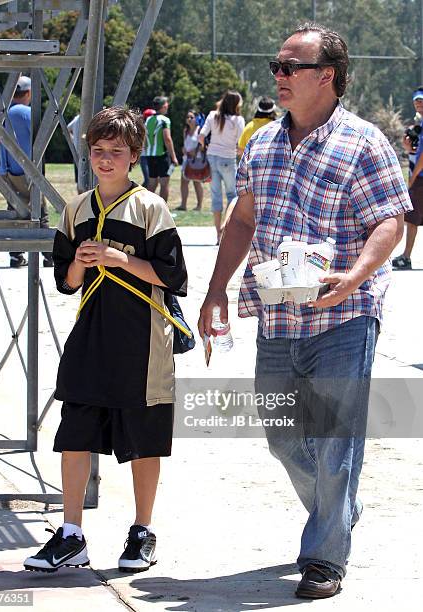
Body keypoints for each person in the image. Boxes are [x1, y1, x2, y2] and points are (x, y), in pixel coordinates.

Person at [198, 23, 411, 599]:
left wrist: (357, 276)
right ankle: (339, 511)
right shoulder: (262, 142)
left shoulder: (365, 143)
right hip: (277, 313)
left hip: (344, 312)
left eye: (290, 66)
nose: (278, 76)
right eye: (276, 66)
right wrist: (216, 289)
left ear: (328, 77)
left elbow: (389, 221)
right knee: (281, 435)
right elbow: (243, 220)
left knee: (335, 437)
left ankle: (324, 558)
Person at [23, 106, 187, 574]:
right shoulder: (75, 208)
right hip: (91, 336)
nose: (106, 159)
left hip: (142, 341)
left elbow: (173, 276)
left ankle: (142, 530)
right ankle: (71, 534)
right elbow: (67, 281)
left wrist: (119, 258)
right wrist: (82, 260)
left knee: (144, 438)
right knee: (74, 431)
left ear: (134, 156)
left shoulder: (150, 207)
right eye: (98, 151)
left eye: (116, 152)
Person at [0, 76, 53, 268]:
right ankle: (49, 254)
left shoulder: (4, 112)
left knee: (16, 212)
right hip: (27, 171)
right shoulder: (27, 113)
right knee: (40, 211)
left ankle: (16, 254)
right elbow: (42, 137)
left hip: (6, 170)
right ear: (29, 93)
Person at [198, 90, 245, 244]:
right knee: (232, 195)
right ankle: (226, 228)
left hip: (212, 157)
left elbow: (201, 136)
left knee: (216, 197)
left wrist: (204, 147)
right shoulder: (238, 120)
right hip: (228, 158)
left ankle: (218, 236)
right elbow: (240, 142)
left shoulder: (213, 115)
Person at [392, 87, 423, 270]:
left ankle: (406, 257)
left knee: (411, 218)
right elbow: (415, 152)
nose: (419, 103)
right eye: (416, 101)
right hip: (418, 176)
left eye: (422, 100)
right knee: (412, 218)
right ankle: (406, 256)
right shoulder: (417, 127)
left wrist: (413, 178)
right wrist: (408, 148)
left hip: (420, 178)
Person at [145, 96, 179, 202]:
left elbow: (144, 138)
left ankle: (147, 209)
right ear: (164, 106)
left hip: (150, 155)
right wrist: (174, 157)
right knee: (164, 183)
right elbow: (167, 139)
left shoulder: (149, 119)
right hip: (162, 155)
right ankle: (163, 210)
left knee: (152, 183)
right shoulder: (165, 120)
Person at [176, 109, 204, 211]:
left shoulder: (200, 130)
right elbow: (185, 144)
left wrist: (195, 151)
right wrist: (184, 149)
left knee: (197, 182)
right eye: (188, 117)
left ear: (196, 118)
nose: (189, 119)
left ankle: (199, 205)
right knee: (184, 182)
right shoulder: (186, 131)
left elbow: (203, 145)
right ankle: (183, 205)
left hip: (197, 160)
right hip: (186, 160)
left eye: (191, 117)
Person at [140, 108, 156, 188]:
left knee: (151, 180)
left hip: (151, 156)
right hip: (145, 156)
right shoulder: (144, 127)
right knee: (148, 180)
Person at [67, 114, 81, 193]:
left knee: (79, 179)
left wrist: (72, 140)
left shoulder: (76, 118)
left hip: (76, 151)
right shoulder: (92, 116)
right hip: (88, 152)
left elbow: (67, 129)